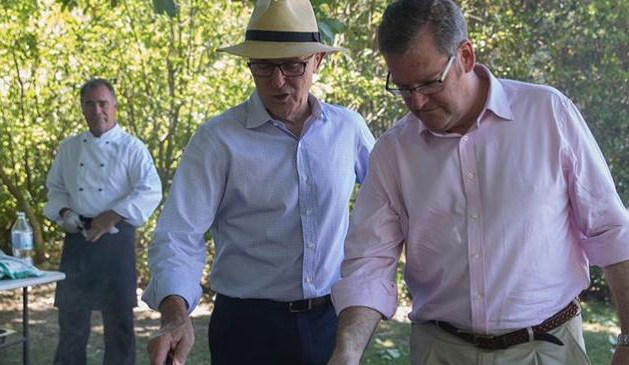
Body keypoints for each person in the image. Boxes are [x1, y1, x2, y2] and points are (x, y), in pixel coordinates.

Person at [328, 1, 629, 364]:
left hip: (548, 350)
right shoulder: (394, 152)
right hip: (440, 352)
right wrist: (347, 351)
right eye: (404, 88)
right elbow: (369, 262)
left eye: (428, 82)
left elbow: (610, 229)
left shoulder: (548, 114)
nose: (417, 102)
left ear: (466, 56)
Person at [142, 0, 375, 364]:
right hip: (247, 328)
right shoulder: (217, 140)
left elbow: (390, 205)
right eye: (264, 65)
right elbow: (178, 234)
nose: (277, 81)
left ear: (318, 61)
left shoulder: (348, 129)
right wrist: (175, 313)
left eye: (292, 65)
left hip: (331, 321)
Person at [44, 78, 162, 365]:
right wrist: (64, 213)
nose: (97, 110)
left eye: (102, 103)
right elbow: (56, 189)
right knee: (71, 321)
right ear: (82, 109)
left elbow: (150, 189)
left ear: (115, 107)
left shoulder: (132, 148)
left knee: (119, 325)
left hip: (116, 240)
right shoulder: (69, 148)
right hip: (77, 237)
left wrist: (113, 214)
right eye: (90, 104)